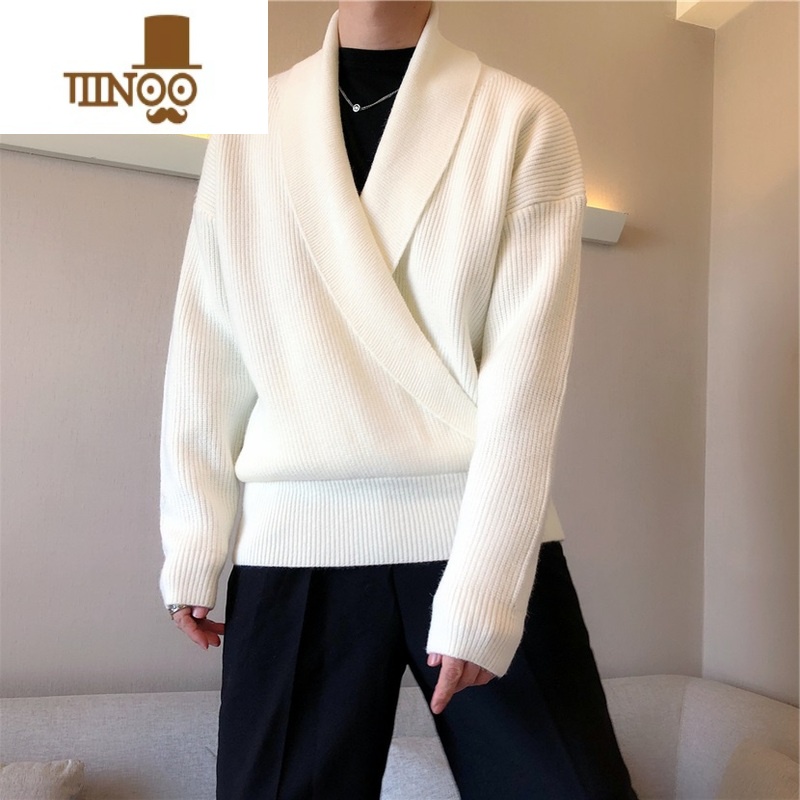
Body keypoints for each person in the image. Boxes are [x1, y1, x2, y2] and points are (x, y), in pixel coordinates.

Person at [158, 2, 640, 798]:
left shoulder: (520, 121)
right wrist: (193, 540)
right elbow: (208, 346)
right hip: (292, 542)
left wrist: (486, 591)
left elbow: (527, 382)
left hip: (475, 529)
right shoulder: (247, 128)